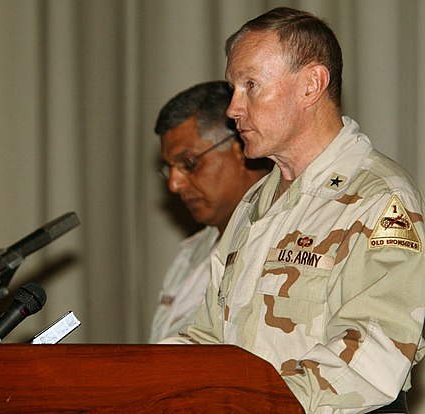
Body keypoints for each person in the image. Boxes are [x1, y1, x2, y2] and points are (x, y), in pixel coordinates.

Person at [162, 7, 425, 414]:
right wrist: (131, 377)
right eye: (234, 88)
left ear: (311, 85)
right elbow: (209, 337)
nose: (233, 108)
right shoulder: (255, 203)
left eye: (251, 85)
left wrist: (250, 406)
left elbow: (371, 355)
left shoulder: (379, 197)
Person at [149, 81, 272, 343]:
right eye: (169, 169)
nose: (174, 184)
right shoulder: (192, 252)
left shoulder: (280, 238)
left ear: (241, 150)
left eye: (188, 164)